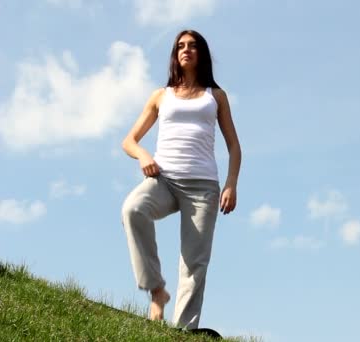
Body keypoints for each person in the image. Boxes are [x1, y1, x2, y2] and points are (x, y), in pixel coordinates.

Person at [120, 29, 241, 330]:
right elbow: (129, 140)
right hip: (165, 180)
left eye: (192, 46)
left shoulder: (217, 97)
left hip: (203, 188)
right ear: (175, 55)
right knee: (133, 210)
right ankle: (156, 290)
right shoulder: (161, 96)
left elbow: (234, 146)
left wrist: (231, 184)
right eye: (180, 46)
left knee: (193, 264)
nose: (186, 50)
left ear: (201, 53)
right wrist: (145, 156)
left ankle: (182, 332)